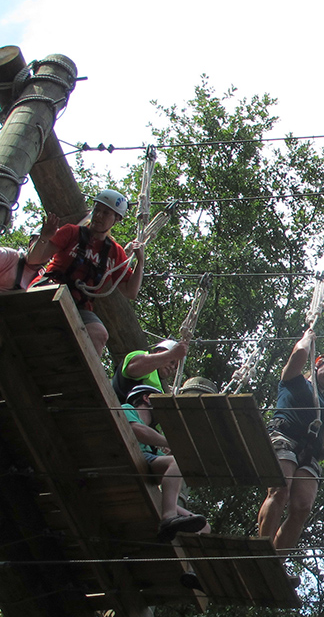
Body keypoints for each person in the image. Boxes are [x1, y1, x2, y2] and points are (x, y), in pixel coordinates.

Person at [257, 328, 324, 552]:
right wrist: (308, 337)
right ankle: (262, 549)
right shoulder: (293, 380)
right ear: (318, 362)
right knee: (280, 490)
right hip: (284, 437)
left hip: (307, 453)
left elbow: (322, 444)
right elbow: (299, 353)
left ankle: (276, 563)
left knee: (302, 507)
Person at [27, 191, 146, 356]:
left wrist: (140, 262)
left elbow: (130, 292)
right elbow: (34, 259)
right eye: (97, 210)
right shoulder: (71, 232)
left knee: (99, 334)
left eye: (106, 213)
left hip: (78, 305)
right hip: (50, 290)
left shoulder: (115, 253)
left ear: (117, 219)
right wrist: (44, 238)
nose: (98, 216)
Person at [122, 384, 210, 539]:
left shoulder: (154, 435)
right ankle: (168, 517)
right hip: (136, 459)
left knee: (205, 527)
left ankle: (176, 539)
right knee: (177, 462)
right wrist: (171, 444)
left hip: (148, 467)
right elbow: (137, 431)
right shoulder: (127, 409)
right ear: (147, 398)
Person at [113, 338, 188, 401]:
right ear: (159, 352)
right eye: (172, 362)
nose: (172, 368)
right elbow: (133, 369)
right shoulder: (143, 356)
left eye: (176, 367)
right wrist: (171, 354)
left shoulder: (160, 389)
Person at [0, 213, 58, 292]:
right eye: (42, 241)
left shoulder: (44, 278)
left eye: (51, 246)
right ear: (30, 242)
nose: (44, 248)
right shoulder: (8, 257)